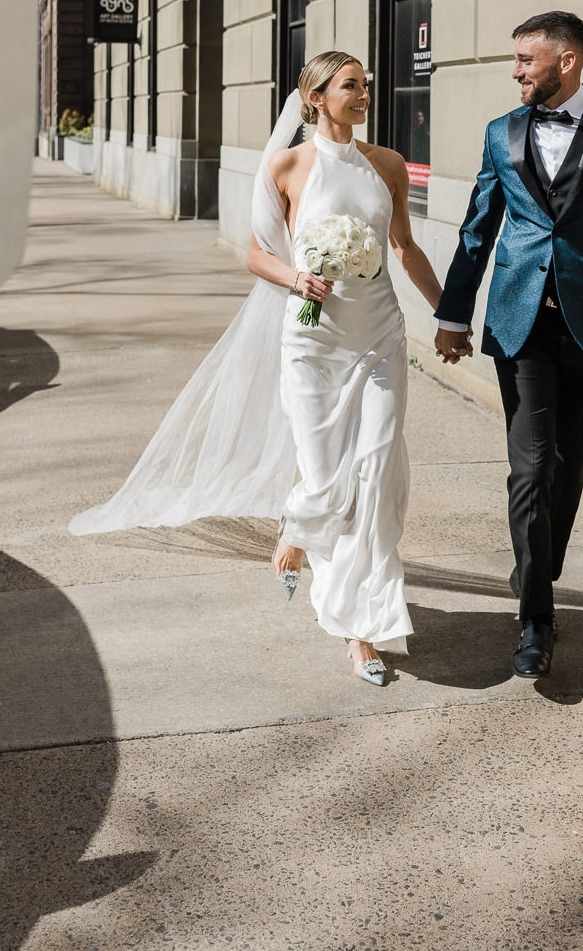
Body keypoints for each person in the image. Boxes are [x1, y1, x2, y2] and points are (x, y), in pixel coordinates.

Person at [70, 50, 446, 689]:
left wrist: (452, 319)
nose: (364, 95)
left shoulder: (385, 165)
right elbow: (254, 253)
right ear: (317, 97)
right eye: (352, 87)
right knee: (326, 477)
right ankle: (298, 530)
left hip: (380, 334)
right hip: (311, 336)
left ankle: (361, 632)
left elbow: (404, 249)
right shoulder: (285, 166)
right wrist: (297, 276)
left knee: (377, 472)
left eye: (366, 85)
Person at [434, 11, 583, 679]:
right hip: (519, 324)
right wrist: (454, 314)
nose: (515, 71)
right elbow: (477, 231)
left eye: (525, 60)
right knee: (532, 467)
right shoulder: (501, 134)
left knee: (568, 464)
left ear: (567, 61)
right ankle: (536, 619)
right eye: (515, 59)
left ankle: (539, 563)